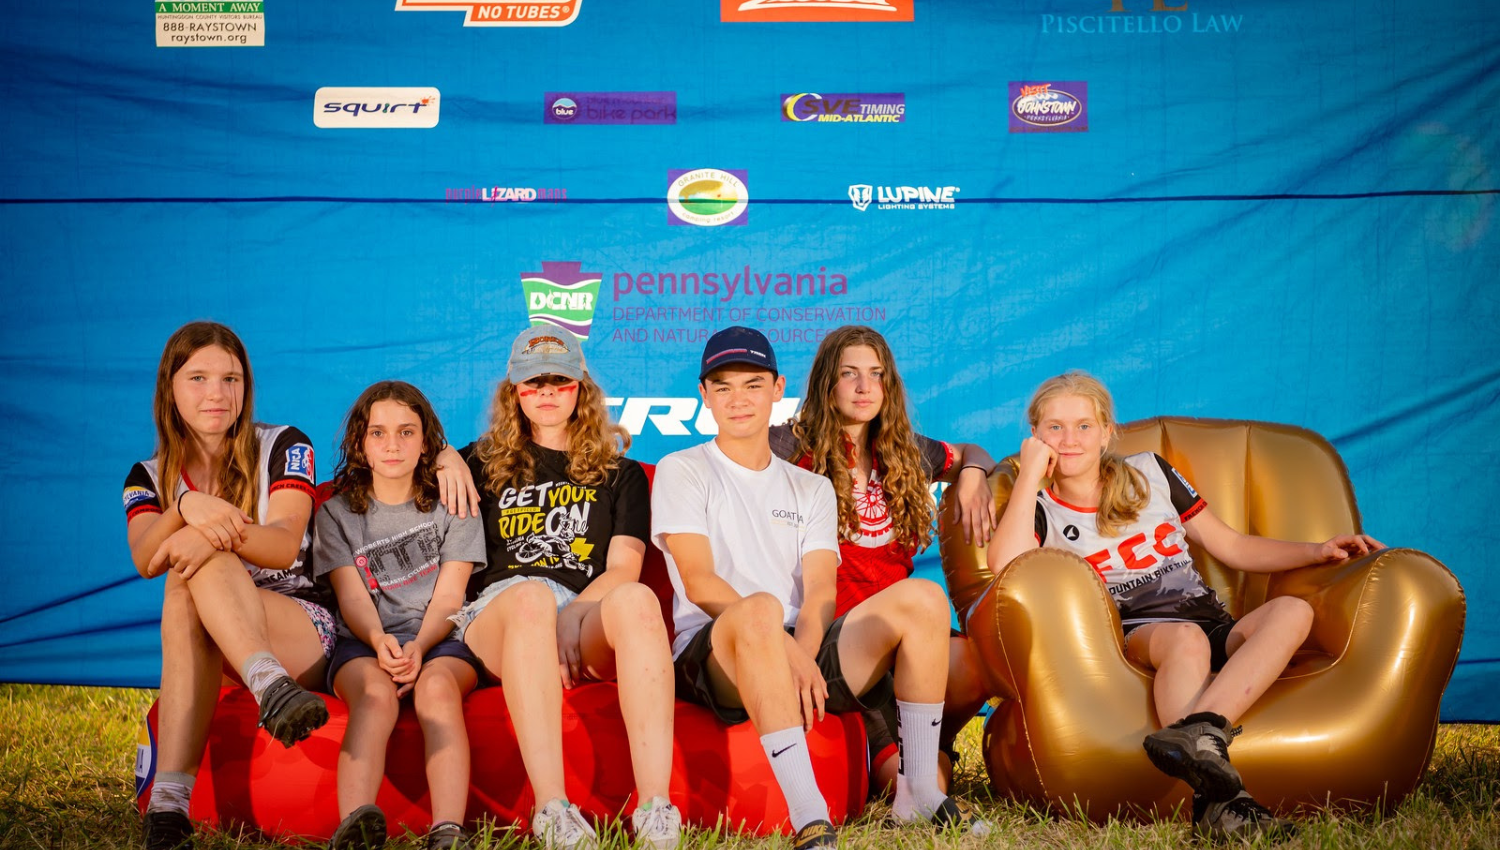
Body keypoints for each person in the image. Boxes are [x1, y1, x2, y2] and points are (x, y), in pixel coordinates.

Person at [986, 370, 1384, 840]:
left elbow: (1231, 546)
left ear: (1107, 432)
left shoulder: (1150, 473)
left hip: (1209, 621)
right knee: (1185, 639)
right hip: (1136, 636)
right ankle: (1226, 797)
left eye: (1084, 426)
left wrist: (1317, 550)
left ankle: (1202, 733)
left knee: (1294, 611)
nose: (1069, 439)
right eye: (1054, 427)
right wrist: (1028, 475)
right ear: (1035, 435)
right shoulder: (1039, 509)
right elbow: (1004, 566)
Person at [652, 326, 989, 850]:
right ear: (704, 395)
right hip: (716, 648)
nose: (739, 399)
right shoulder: (684, 468)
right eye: (723, 387)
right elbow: (699, 583)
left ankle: (918, 790)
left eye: (753, 385)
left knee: (924, 598)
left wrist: (804, 653)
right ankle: (809, 816)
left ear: (777, 389)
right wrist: (784, 648)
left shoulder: (812, 487)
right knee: (760, 610)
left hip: (801, 642)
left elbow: (820, 594)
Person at [442, 326, 680, 850]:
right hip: (499, 612)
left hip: (579, 608)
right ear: (514, 392)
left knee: (638, 599)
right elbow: (401, 454)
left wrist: (573, 613)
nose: (546, 393)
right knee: (529, 599)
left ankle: (656, 810)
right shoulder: (478, 462)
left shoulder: (620, 474)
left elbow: (625, 569)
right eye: (533, 383)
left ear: (581, 388)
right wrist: (442, 455)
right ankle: (553, 809)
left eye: (559, 381)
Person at [125, 321, 332, 850]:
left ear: (246, 386)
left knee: (195, 564)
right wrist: (184, 507)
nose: (216, 393)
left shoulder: (284, 443)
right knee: (183, 581)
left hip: (301, 626)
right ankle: (170, 810)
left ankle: (170, 802)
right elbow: (146, 558)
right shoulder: (148, 475)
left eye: (230, 379)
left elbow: (283, 545)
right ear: (170, 388)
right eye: (198, 378)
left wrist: (206, 533)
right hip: (221, 641)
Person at [770, 325, 995, 792]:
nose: (863, 387)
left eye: (876, 374)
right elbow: (725, 459)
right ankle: (895, 753)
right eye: (848, 374)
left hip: (912, 636)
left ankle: (935, 742)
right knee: (909, 784)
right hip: (845, 640)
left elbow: (973, 453)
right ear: (826, 383)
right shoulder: (790, 446)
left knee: (975, 662)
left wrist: (972, 473)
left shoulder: (904, 450)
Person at [315, 381, 486, 850]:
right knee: (375, 695)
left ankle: (447, 831)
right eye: (378, 433)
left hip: (441, 638)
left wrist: (421, 647)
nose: (392, 445)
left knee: (437, 690)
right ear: (360, 444)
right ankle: (354, 829)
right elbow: (351, 597)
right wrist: (378, 640)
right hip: (363, 641)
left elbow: (451, 595)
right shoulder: (335, 514)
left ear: (427, 443)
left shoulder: (455, 505)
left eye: (407, 432)